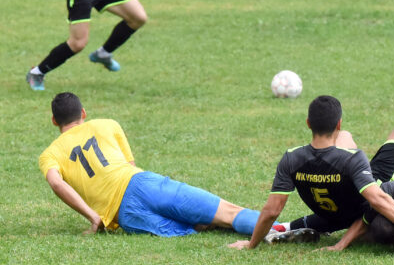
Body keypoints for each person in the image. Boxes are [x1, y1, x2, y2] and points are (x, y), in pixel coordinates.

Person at [228, 20, 394, 251]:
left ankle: (284, 229)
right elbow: (379, 200)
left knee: (345, 148)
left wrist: (251, 245)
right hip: (368, 196)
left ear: (307, 123)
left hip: (332, 215)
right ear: (337, 122)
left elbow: (272, 209)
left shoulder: (291, 158)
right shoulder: (353, 160)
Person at [39, 92, 278, 237]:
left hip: (126, 217)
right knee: (225, 212)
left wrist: (93, 217)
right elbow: (130, 164)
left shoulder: (50, 154)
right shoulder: (106, 124)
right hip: (139, 183)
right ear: (83, 112)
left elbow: (55, 183)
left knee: (199, 226)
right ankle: (283, 229)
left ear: (53, 121)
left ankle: (256, 230)